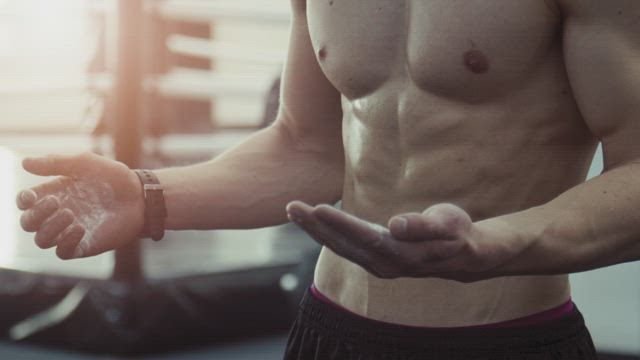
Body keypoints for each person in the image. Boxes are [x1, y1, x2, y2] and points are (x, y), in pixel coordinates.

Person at [16, 0, 640, 358]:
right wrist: (153, 195)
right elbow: (306, 147)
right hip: (330, 332)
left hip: (503, 340)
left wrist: (498, 243)